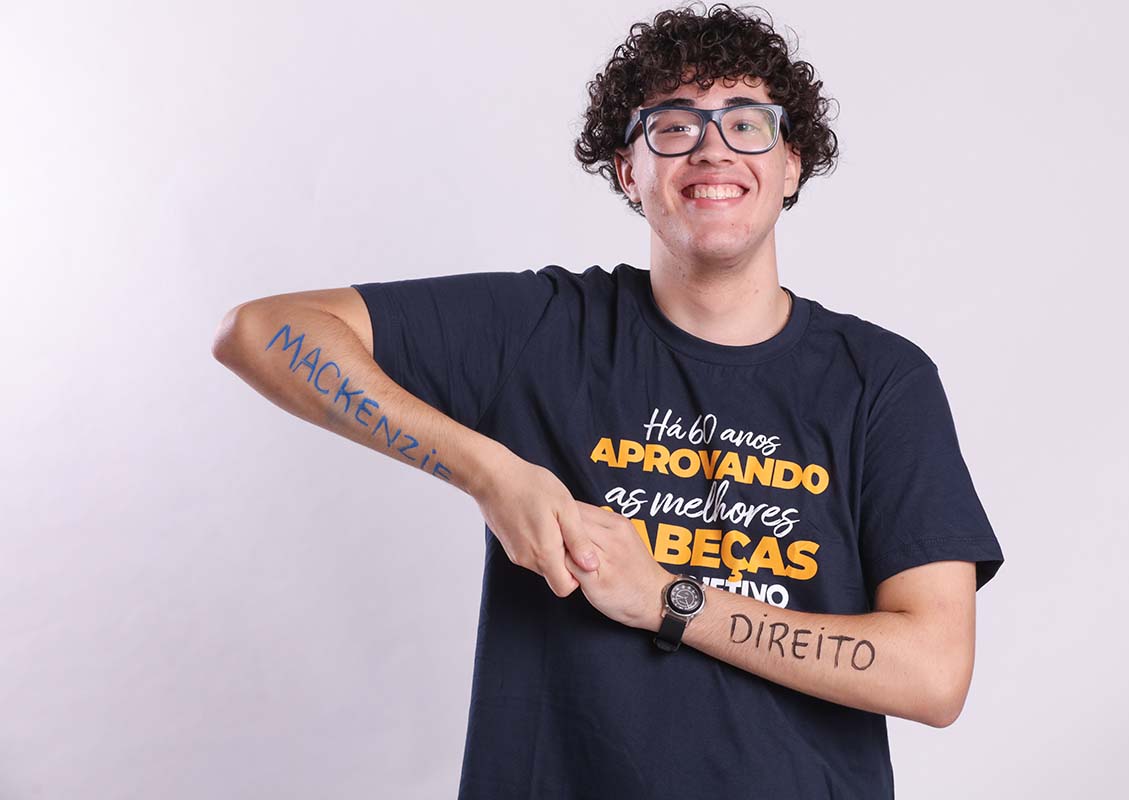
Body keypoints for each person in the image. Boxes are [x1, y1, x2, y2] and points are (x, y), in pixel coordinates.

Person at [212, 3, 1004, 797]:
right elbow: (262, 331)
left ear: (792, 163)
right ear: (629, 171)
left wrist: (668, 599)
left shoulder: (881, 381)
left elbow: (933, 674)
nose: (712, 148)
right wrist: (489, 472)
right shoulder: (544, 330)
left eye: (746, 123)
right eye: (673, 126)